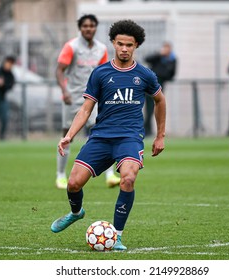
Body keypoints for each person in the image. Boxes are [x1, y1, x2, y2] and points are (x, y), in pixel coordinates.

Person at [50, 19, 166, 251]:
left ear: (136, 46)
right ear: (113, 43)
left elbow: (160, 100)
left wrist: (160, 135)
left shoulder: (145, 75)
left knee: (128, 179)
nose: (124, 48)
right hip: (101, 137)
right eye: (120, 43)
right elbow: (85, 109)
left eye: (129, 45)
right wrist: (69, 135)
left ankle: (118, 235)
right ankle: (76, 212)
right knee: (73, 183)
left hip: (129, 138)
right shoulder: (100, 73)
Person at [55, 14, 120, 189]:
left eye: (91, 25)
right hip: (73, 97)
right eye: (85, 26)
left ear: (96, 27)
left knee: (104, 132)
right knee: (67, 135)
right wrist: (64, 91)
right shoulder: (71, 47)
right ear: (80, 28)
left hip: (93, 98)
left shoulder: (101, 48)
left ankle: (109, 175)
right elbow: (60, 70)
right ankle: (60, 175)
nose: (88, 28)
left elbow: (104, 73)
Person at [144, 42, 176, 136]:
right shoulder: (158, 57)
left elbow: (172, 73)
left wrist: (164, 76)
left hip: (160, 85)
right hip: (150, 86)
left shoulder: (172, 59)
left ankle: (158, 131)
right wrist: (159, 54)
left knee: (159, 107)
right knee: (148, 109)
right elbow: (147, 59)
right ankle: (147, 130)